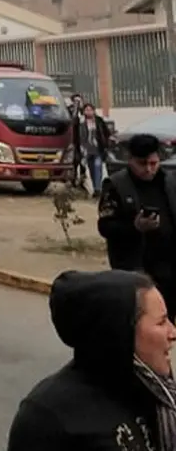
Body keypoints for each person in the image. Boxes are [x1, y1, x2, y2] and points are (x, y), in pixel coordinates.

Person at [0, 270, 176, 451]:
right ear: (120, 331)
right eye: (161, 322)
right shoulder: (49, 413)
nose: (172, 332)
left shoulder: (155, 393)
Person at [98, 133, 176, 319]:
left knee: (167, 323)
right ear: (130, 160)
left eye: (153, 163)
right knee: (141, 322)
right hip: (135, 268)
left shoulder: (170, 181)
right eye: (142, 164)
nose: (149, 170)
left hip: (170, 268)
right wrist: (135, 227)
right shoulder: (116, 185)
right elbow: (105, 226)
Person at [78, 102, 112, 197]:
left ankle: (98, 189)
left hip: (98, 149)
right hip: (87, 150)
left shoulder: (99, 120)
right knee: (91, 169)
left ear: (93, 111)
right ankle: (95, 188)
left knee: (98, 167)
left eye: (90, 110)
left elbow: (106, 132)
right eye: (86, 110)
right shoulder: (81, 122)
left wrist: (107, 142)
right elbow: (78, 137)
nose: (88, 112)